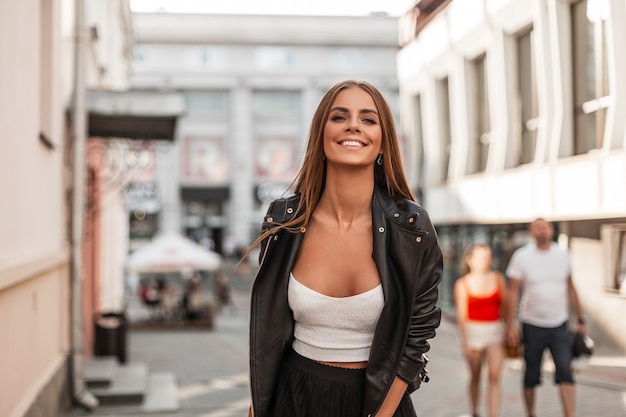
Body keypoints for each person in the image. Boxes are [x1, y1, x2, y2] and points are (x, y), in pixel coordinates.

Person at [246, 80, 443, 417]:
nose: (354, 125)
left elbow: (417, 336)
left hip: (379, 403)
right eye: (340, 117)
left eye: (368, 119)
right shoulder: (284, 221)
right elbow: (269, 337)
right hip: (294, 398)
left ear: (383, 143)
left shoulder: (411, 228)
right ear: (321, 136)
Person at [505, 218, 586, 417]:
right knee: (531, 376)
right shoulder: (522, 256)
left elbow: (571, 287)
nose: (542, 231)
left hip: (559, 324)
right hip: (532, 324)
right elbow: (513, 291)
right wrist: (511, 325)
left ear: (551, 231)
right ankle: (531, 414)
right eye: (538, 228)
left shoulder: (563, 254)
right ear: (532, 233)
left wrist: (581, 319)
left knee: (566, 372)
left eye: (545, 227)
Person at [454, 244, 507, 417]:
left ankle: (493, 414)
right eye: (482, 257)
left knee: (494, 377)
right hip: (473, 333)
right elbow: (462, 316)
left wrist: (510, 328)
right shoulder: (462, 284)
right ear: (470, 260)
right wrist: (465, 343)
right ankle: (475, 411)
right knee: (475, 376)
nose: (486, 260)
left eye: (488, 256)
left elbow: (506, 307)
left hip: (495, 332)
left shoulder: (498, 278)